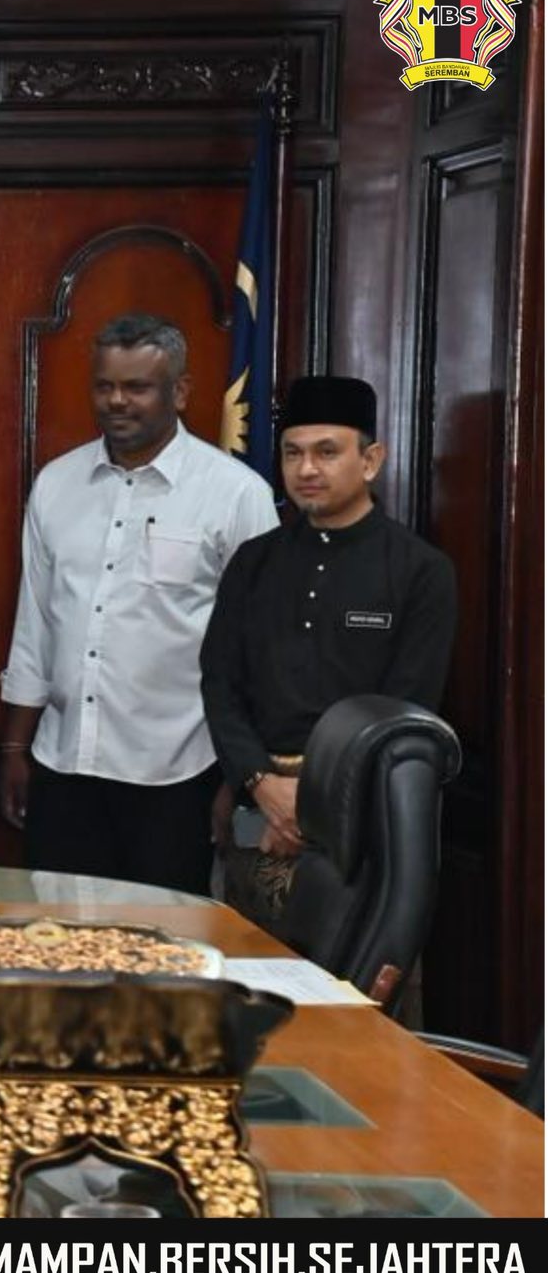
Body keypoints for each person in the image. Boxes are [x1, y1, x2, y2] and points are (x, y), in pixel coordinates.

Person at [0, 313, 278, 893]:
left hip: (177, 774)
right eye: (105, 386)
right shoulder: (57, 483)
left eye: (137, 387)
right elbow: (35, 626)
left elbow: (262, 651)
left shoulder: (235, 494)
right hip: (64, 765)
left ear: (180, 391)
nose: (117, 401)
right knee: (57, 936)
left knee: (164, 943)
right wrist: (15, 747)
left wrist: (237, 780)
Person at [201, 375, 456, 922]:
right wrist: (261, 784)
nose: (307, 469)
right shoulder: (253, 562)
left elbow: (405, 710)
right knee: (250, 971)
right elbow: (220, 683)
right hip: (257, 811)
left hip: (369, 821)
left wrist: (310, 806)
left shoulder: (420, 571)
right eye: (293, 453)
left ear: (371, 460)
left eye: (327, 452)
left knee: (354, 974)